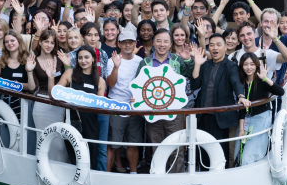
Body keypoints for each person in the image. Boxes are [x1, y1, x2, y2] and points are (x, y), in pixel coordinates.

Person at [134, 29, 194, 173]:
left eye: (166, 41)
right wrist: (135, 97)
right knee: (157, 149)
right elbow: (137, 84)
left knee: (177, 149)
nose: (162, 44)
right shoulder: (145, 62)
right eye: (159, 41)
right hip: (152, 113)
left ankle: (176, 180)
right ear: (153, 43)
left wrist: (188, 59)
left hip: (175, 113)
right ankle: (158, 179)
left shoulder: (177, 60)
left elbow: (190, 75)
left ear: (171, 44)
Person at [190, 35, 250, 164]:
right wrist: (197, 64)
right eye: (211, 45)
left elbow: (236, 83)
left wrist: (241, 96)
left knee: (219, 152)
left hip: (220, 117)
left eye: (218, 44)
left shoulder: (231, 66)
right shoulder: (205, 65)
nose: (214, 48)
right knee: (202, 152)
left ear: (225, 47)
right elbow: (195, 85)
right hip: (202, 116)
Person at [50, 45, 104, 169]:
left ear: (93, 59)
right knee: (74, 158)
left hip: (92, 124)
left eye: (86, 57)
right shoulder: (70, 73)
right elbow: (54, 94)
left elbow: (100, 107)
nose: (83, 61)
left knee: (91, 158)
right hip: (73, 121)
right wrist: (50, 77)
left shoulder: (100, 81)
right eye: (80, 58)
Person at [67, 22, 109, 170]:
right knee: (77, 148)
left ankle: (99, 177)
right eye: (89, 34)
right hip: (77, 113)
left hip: (99, 106)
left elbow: (104, 80)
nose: (93, 38)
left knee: (99, 148)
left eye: (96, 35)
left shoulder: (103, 54)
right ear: (83, 37)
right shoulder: (72, 56)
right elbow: (67, 84)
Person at [234, 54, 285, 166]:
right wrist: (241, 129)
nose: (249, 67)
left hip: (261, 118)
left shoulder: (261, 82)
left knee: (249, 155)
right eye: (246, 64)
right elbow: (242, 109)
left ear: (256, 66)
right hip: (247, 120)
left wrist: (265, 78)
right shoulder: (241, 83)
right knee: (237, 152)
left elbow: (281, 92)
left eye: (252, 64)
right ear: (241, 66)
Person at [106, 31, 144, 174]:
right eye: (124, 42)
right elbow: (111, 84)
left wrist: (138, 99)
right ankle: (107, 174)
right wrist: (116, 66)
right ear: (119, 44)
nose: (128, 45)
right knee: (113, 144)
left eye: (130, 42)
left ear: (135, 43)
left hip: (135, 108)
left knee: (133, 144)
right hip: (116, 106)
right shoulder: (112, 61)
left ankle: (133, 174)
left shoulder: (140, 61)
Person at [0, 29, 38, 146]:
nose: (10, 43)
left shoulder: (28, 58)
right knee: (5, 133)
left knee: (26, 135)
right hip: (4, 101)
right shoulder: (1, 59)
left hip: (23, 102)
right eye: (7, 42)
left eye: (12, 40)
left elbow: (32, 87)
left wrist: (17, 86)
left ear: (19, 41)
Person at [33, 29, 68, 162]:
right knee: (42, 141)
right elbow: (33, 88)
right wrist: (30, 72)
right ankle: (42, 170)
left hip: (58, 104)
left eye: (52, 43)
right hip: (41, 104)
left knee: (59, 144)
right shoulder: (34, 60)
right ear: (40, 42)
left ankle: (61, 171)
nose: (49, 45)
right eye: (46, 41)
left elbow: (70, 80)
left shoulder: (59, 58)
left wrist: (68, 65)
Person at [255, 8, 287, 88]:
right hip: (256, 88)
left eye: (272, 22)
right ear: (261, 23)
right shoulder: (254, 42)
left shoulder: (284, 40)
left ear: (277, 24)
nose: (268, 25)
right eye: (266, 21)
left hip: (275, 91)